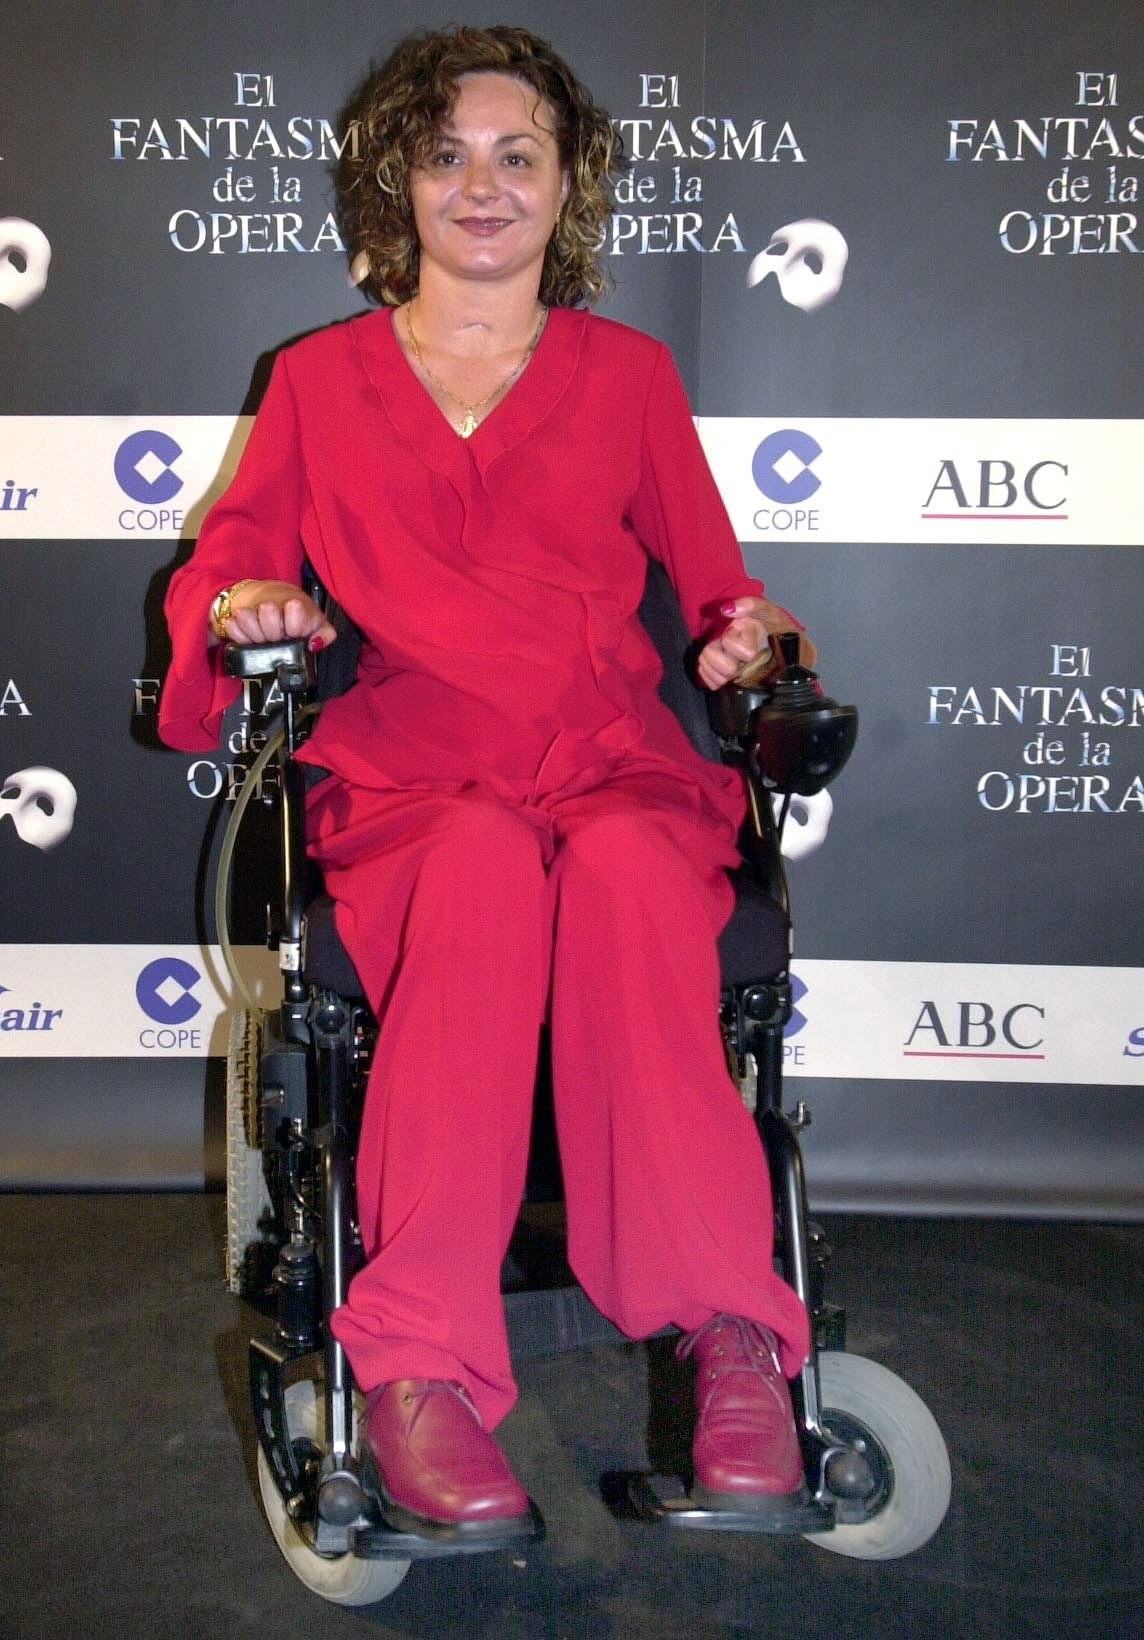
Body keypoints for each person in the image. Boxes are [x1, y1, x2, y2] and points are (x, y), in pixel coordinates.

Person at [160, 25, 815, 1545]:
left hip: (609, 764)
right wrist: (245, 605)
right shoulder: (317, 382)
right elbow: (233, 563)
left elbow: (727, 595)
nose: (482, 185)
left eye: (518, 155)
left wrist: (755, 642)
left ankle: (730, 1337)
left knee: (633, 870)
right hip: (418, 777)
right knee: (467, 865)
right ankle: (417, 1374)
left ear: (565, 184)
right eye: (447, 154)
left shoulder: (629, 376)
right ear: (400, 179)